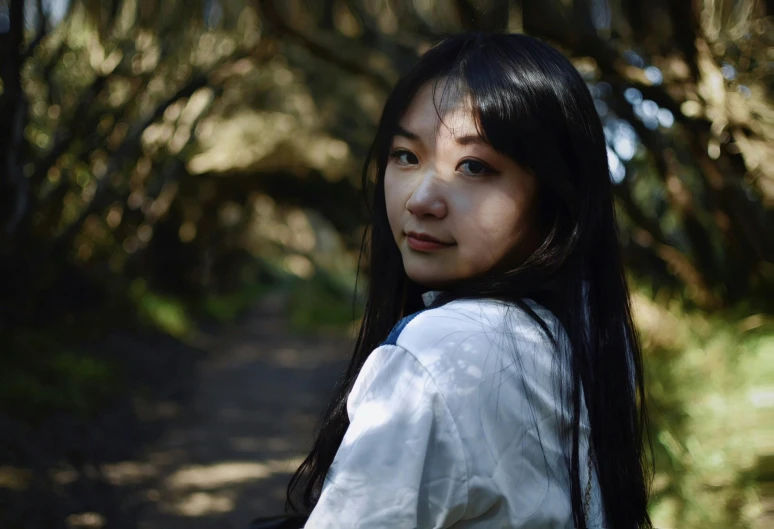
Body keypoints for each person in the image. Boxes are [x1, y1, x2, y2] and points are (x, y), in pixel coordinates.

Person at [285, 31, 652, 528]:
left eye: (474, 166)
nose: (420, 200)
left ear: (557, 195)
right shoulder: (591, 340)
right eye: (406, 156)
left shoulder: (436, 352)